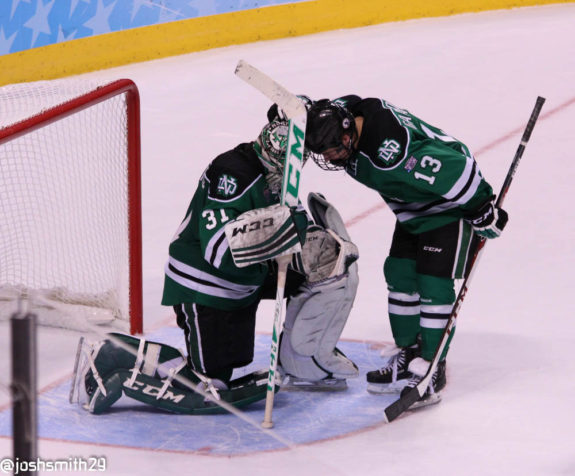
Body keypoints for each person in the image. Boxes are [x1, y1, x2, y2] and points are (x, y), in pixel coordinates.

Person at [70, 115, 360, 415]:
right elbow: (218, 250)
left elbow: (293, 223)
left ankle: (302, 358)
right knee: (210, 385)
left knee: (328, 262)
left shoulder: (278, 173)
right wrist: (278, 233)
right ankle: (114, 354)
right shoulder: (231, 173)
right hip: (204, 285)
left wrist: (295, 234)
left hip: (243, 281)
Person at [304, 96, 508, 405]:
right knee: (399, 273)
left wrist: (482, 208)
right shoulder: (347, 112)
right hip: (412, 208)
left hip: (447, 206)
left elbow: (456, 168)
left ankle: (430, 364)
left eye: (334, 149)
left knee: (433, 282)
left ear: (348, 132)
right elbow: (332, 106)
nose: (331, 158)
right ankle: (409, 353)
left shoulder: (391, 151)